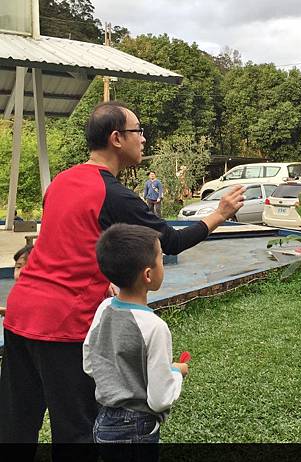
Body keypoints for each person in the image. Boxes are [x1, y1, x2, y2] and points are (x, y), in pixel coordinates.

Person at [0, 101, 244, 451]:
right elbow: (171, 241)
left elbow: (69, 245)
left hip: (20, 310)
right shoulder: (114, 195)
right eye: (138, 131)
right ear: (116, 138)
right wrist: (219, 214)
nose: (143, 139)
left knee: (16, 424)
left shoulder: (61, 182)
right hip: (64, 322)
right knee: (75, 432)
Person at [84, 224, 186, 460]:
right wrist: (176, 372)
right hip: (137, 427)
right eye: (161, 258)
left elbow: (90, 363)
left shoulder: (104, 308)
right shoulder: (155, 327)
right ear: (148, 275)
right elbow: (159, 399)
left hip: (104, 422)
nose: (163, 263)